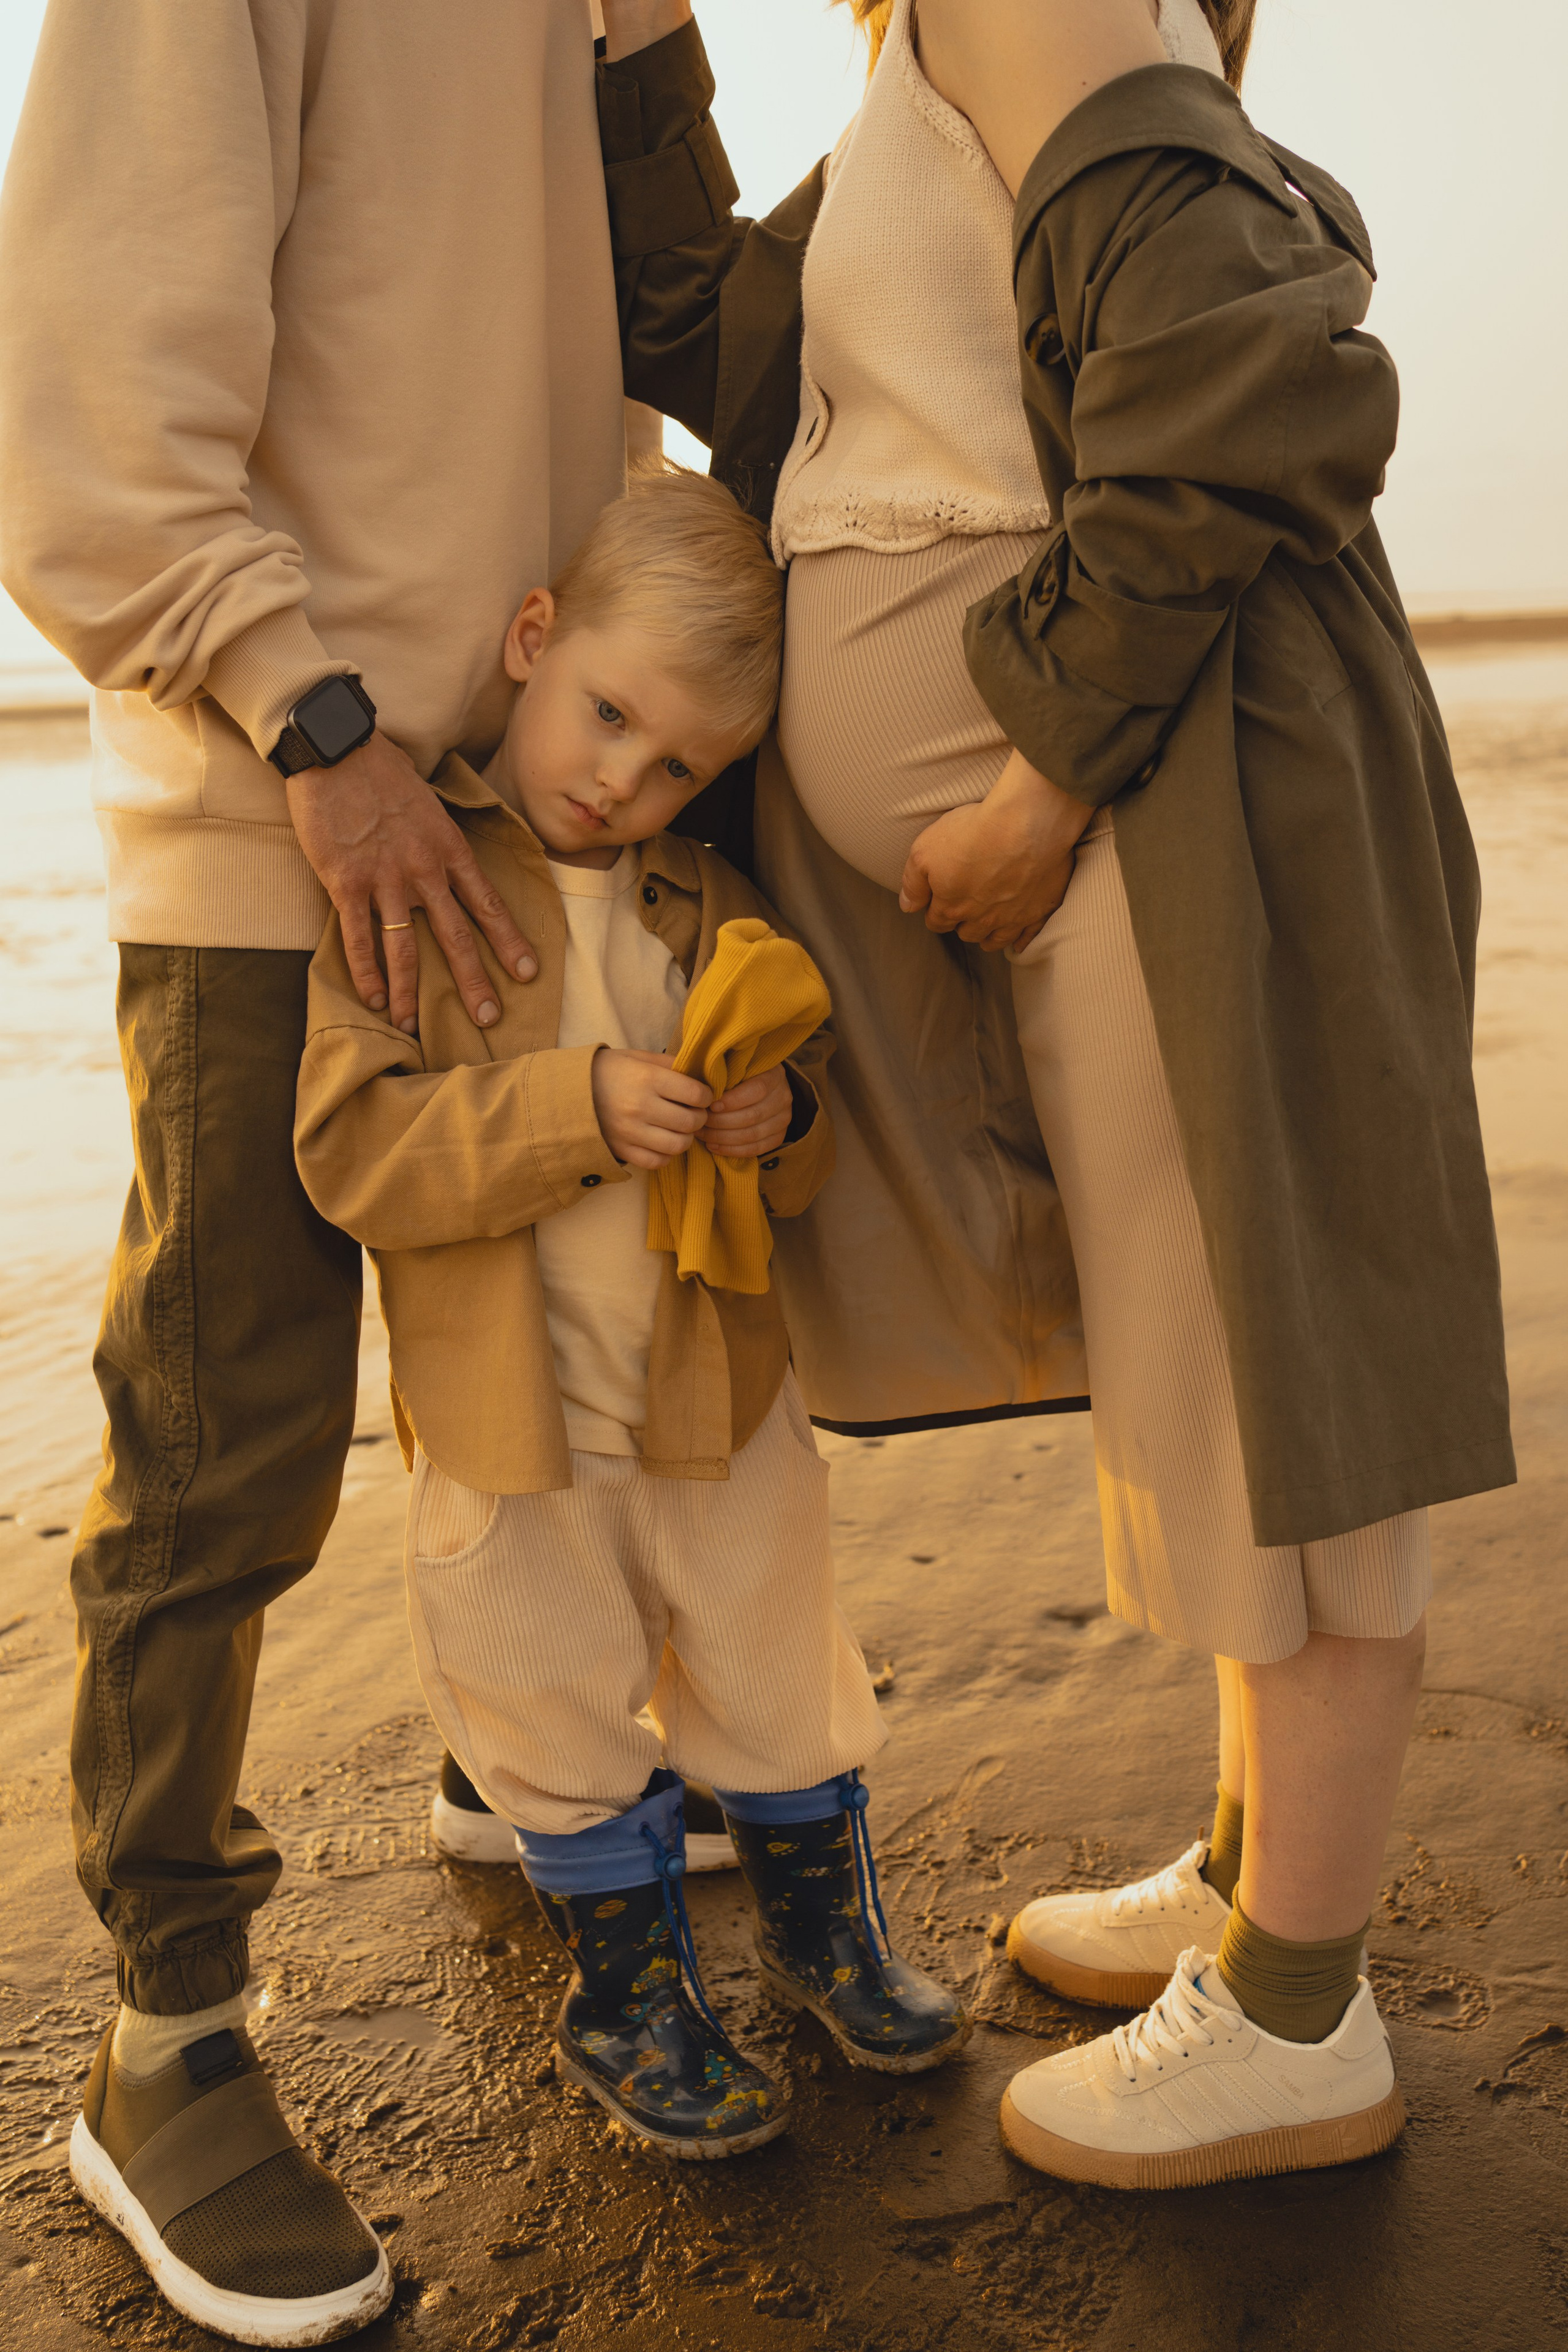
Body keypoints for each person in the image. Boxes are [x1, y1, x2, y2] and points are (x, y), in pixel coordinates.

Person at [596, 0, 1513, 2192]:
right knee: (1209, 1370)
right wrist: (640, 48)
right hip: (1135, 808)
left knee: (1282, 1384)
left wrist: (1041, 778)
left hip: (1184, 795)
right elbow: (714, 340)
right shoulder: (930, 62)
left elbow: (1255, 362)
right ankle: (1254, 1881)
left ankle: (1298, 2014)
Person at [0, 1, 627, 2339]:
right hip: (294, 811)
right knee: (222, 1446)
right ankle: (165, 2040)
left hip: (509, 819)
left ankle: (511, 1770)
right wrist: (314, 718)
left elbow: (628, 342)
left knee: (533, 1368)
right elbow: (78, 406)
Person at [294, 467, 971, 2158]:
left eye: (678, 766)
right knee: (552, 1696)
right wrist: (574, 1108)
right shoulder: (420, 887)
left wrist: (778, 1121)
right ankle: (630, 1992)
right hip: (515, 1420)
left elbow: (803, 1158)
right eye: (609, 716)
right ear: (535, 638)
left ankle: (824, 1934)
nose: (623, 781)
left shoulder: (713, 906)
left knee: (777, 1668)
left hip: (716, 1396)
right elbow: (353, 1150)